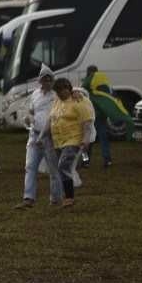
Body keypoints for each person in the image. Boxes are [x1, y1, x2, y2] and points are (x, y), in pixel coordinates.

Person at [16, 64, 63, 209]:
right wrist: (28, 117)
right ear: (40, 81)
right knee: (30, 166)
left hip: (50, 137)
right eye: (45, 79)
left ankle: (55, 199)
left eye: (49, 80)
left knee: (54, 169)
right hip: (34, 135)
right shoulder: (35, 94)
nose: (47, 82)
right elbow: (30, 111)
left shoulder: (56, 96)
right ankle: (28, 198)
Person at [49, 77, 92, 208]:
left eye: (61, 91)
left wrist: (86, 139)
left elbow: (87, 121)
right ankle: (65, 196)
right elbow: (51, 118)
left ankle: (69, 197)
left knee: (63, 166)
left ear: (68, 89)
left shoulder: (79, 100)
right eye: (57, 92)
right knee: (63, 168)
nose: (59, 94)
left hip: (73, 139)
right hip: (58, 141)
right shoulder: (57, 101)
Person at [81, 64, 120, 168]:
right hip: (100, 115)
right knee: (103, 138)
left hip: (88, 115)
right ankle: (107, 160)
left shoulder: (85, 84)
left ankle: (85, 161)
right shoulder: (104, 84)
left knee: (86, 139)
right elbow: (112, 96)